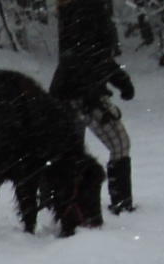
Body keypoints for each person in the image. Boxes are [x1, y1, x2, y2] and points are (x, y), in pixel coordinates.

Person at [50, 50, 137, 215]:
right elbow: (100, 58)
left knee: (67, 155)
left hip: (67, 96)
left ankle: (57, 201)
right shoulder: (94, 38)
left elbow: (98, 59)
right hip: (84, 98)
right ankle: (120, 201)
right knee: (120, 144)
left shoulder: (75, 38)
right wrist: (122, 82)